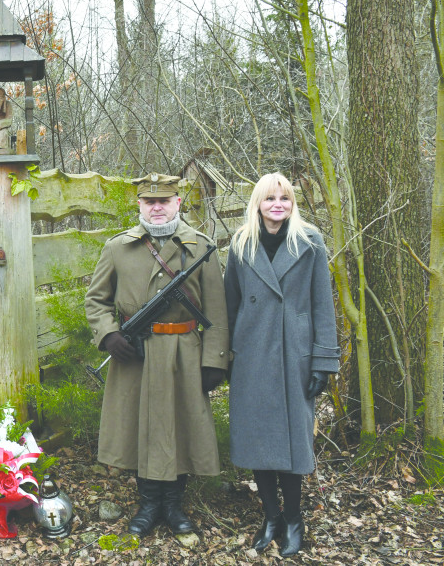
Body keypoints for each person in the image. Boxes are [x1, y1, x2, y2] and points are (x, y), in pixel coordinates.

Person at [85, 172, 229, 537]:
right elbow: (96, 300)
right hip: (135, 354)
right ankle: (149, 504)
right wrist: (109, 335)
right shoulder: (118, 247)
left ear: (178, 202)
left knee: (180, 426)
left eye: (164, 201)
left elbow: (217, 311)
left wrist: (214, 361)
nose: (157, 207)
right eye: (150, 202)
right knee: (139, 427)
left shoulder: (200, 246)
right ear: (140, 205)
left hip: (184, 353)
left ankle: (173, 506)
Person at [224, 173, 339, 557]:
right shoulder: (240, 244)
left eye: (285, 198)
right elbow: (230, 305)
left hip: (295, 355)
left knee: (292, 441)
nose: (278, 204)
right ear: (258, 203)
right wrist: (224, 358)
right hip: (252, 355)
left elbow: (323, 304)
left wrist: (323, 360)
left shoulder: (309, 242)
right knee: (258, 440)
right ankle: (270, 516)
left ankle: (293, 518)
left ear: (292, 204)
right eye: (270, 198)